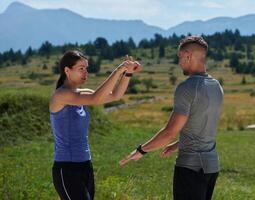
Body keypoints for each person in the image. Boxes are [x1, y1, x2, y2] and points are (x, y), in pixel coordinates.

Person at [120, 36, 224, 200]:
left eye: (180, 57)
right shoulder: (216, 86)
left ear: (188, 56)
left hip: (191, 168)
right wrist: (177, 145)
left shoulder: (187, 87)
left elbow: (169, 132)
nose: (180, 62)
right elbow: (202, 127)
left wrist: (141, 150)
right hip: (211, 167)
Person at [49, 50, 141, 200]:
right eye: (81, 69)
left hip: (86, 165)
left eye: (86, 68)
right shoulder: (60, 95)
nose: (85, 73)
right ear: (67, 70)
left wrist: (128, 73)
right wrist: (118, 70)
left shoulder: (82, 93)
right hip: (67, 169)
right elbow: (96, 97)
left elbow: (115, 95)